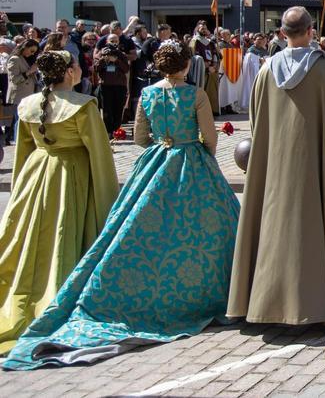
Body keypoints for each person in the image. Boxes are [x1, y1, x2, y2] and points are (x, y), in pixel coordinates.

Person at [3, 42, 240, 370]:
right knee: (212, 228)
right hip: (191, 162)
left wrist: (161, 145)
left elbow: (140, 137)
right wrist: (202, 154)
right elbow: (209, 137)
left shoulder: (148, 94)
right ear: (186, 66)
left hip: (154, 163)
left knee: (138, 227)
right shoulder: (195, 94)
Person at [227, 6, 325, 326]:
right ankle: (320, 305)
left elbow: (255, 121)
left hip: (273, 169)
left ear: (281, 34)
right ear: (311, 31)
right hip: (318, 167)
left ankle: (267, 304)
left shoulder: (265, 71)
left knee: (272, 228)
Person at [0, 51, 118, 353]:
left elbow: (22, 155)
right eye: (76, 65)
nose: (79, 69)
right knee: (64, 232)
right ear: (68, 72)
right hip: (71, 177)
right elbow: (101, 157)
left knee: (29, 239)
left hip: (34, 176)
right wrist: (108, 205)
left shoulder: (28, 105)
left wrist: (19, 194)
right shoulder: (83, 106)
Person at [93, 34, 131, 139]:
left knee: (118, 109)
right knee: (106, 109)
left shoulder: (121, 54)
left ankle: (116, 130)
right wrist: (104, 59)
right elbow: (96, 68)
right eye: (111, 41)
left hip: (119, 86)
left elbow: (126, 69)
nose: (113, 43)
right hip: (106, 86)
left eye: (115, 41)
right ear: (106, 42)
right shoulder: (101, 53)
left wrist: (116, 60)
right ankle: (108, 131)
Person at [5, 39, 38, 145]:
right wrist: (30, 71)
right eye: (31, 51)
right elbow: (14, 79)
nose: (32, 54)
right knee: (19, 121)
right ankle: (18, 142)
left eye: (34, 52)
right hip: (19, 95)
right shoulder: (14, 59)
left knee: (21, 120)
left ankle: (18, 140)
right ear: (25, 47)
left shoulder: (24, 58)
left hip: (27, 94)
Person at [189, 22, 220, 115]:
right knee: (202, 90)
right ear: (197, 29)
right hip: (201, 70)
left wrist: (214, 65)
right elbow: (194, 55)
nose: (204, 30)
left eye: (205, 28)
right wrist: (206, 66)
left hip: (212, 69)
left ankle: (213, 110)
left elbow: (215, 54)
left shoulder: (210, 42)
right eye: (202, 28)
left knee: (212, 91)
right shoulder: (194, 41)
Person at [239, 33, 268, 111]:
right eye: (258, 40)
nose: (260, 42)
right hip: (253, 74)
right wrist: (259, 60)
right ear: (254, 41)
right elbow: (249, 63)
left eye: (262, 40)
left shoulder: (264, 50)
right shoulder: (251, 50)